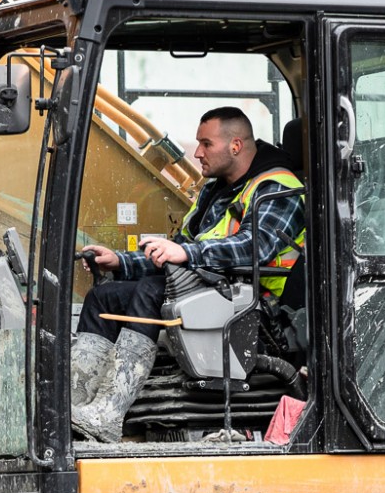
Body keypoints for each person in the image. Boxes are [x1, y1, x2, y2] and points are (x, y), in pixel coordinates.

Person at [71, 106, 305, 443]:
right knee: (102, 297)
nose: (197, 153)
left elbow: (256, 247)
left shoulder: (278, 188)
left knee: (152, 292)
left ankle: (109, 410)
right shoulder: (215, 191)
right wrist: (120, 263)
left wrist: (187, 254)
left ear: (235, 146)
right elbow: (180, 248)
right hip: (210, 293)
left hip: (256, 309)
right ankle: (80, 404)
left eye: (206, 144)